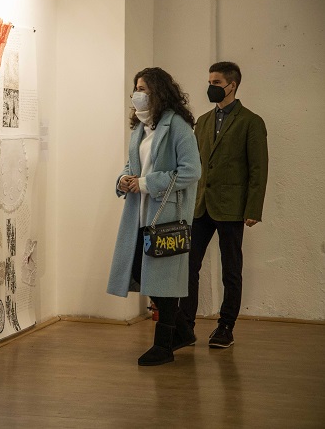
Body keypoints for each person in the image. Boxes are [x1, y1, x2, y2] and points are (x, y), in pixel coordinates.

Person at [107, 67, 201, 366]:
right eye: (136, 88)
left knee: (164, 281)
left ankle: (164, 345)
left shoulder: (178, 126)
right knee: (141, 271)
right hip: (139, 214)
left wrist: (147, 183)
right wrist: (123, 179)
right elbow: (132, 165)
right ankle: (182, 331)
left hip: (166, 214)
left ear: (158, 92)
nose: (137, 94)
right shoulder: (140, 128)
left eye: (143, 89)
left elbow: (191, 171)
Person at [178, 62, 268, 348]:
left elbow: (258, 169)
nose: (211, 87)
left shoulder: (251, 121)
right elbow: (194, 165)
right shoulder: (203, 121)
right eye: (209, 82)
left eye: (216, 82)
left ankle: (226, 327)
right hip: (201, 206)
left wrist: (253, 209)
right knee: (188, 266)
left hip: (232, 207)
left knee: (231, 269)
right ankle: (185, 327)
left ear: (232, 85)